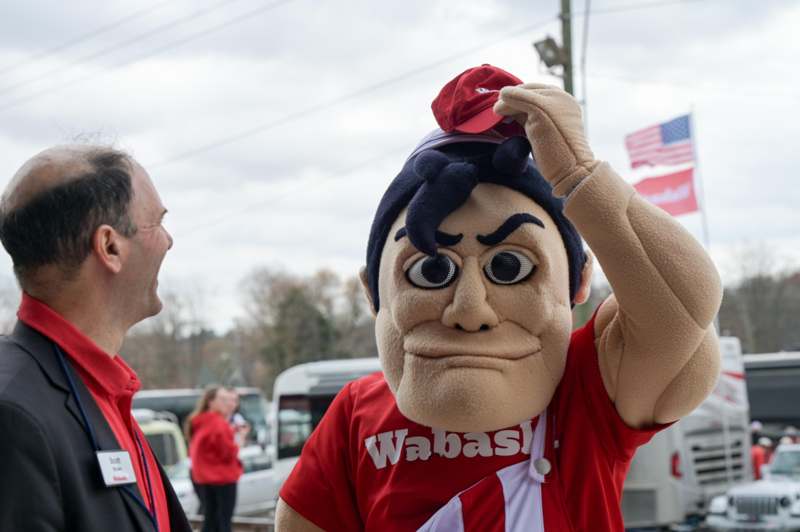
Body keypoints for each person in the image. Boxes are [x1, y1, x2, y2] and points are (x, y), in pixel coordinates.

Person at [276, 65, 722, 530]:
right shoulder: (356, 412)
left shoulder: (591, 384)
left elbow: (682, 310)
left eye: (509, 268)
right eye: (431, 269)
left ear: (579, 280)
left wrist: (581, 176)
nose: (470, 309)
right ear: (374, 291)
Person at [0, 145, 190, 531]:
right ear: (109, 246)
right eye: (158, 222)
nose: (169, 241)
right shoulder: (14, 417)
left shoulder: (98, 391)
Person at [187, 386, 247, 532]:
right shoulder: (218, 424)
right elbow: (229, 453)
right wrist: (241, 439)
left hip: (204, 477)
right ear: (210, 402)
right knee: (223, 522)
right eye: (223, 399)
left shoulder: (200, 421)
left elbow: (211, 448)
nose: (227, 403)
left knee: (210, 519)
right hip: (223, 478)